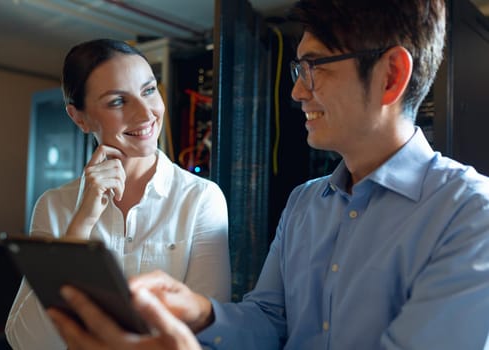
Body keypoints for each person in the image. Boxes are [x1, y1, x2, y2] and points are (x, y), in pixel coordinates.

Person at [46, 0, 489, 349]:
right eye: (299, 70)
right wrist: (202, 314)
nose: (297, 90)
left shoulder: (471, 215)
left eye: (314, 69)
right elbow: (270, 322)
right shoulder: (303, 204)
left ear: (390, 75)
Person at [5, 38, 231, 349]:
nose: (145, 113)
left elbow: (207, 335)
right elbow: (26, 340)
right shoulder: (55, 205)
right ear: (79, 117)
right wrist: (82, 223)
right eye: (117, 101)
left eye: (149, 90)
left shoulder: (202, 198)